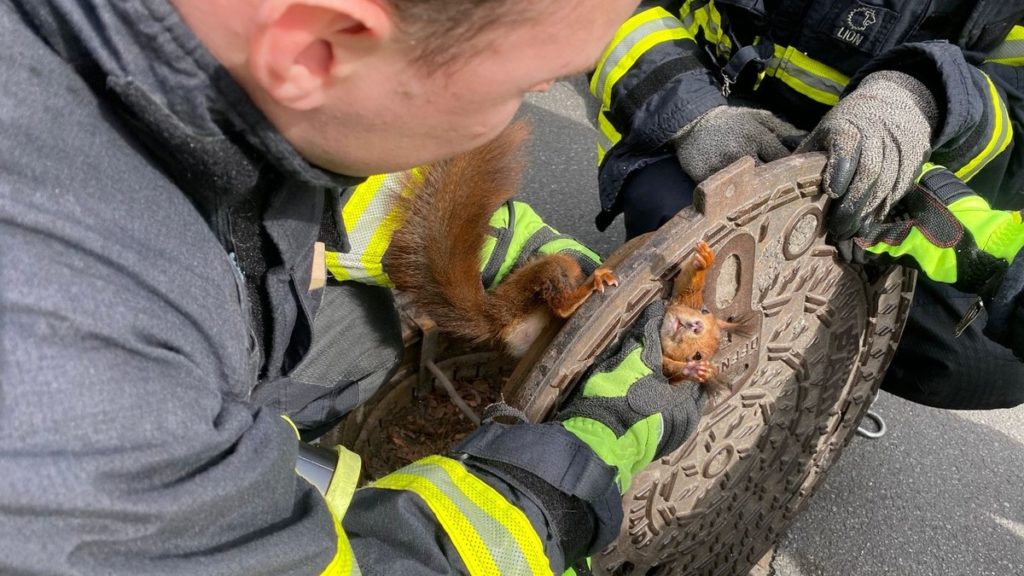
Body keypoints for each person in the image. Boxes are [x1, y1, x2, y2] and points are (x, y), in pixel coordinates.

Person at [0, 0, 711, 574]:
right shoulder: (75, 371)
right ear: (318, 42)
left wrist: (513, 260)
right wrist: (570, 470)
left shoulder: (206, 51)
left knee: (363, 340)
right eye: (524, 80)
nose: (543, 93)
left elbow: (364, 178)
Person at [586, 0, 1024, 409]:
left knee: (981, 362)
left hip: (882, 158)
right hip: (720, 112)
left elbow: (1017, 114)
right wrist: (690, 116)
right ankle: (651, 388)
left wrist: (922, 99)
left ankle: (800, 376)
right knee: (692, 259)